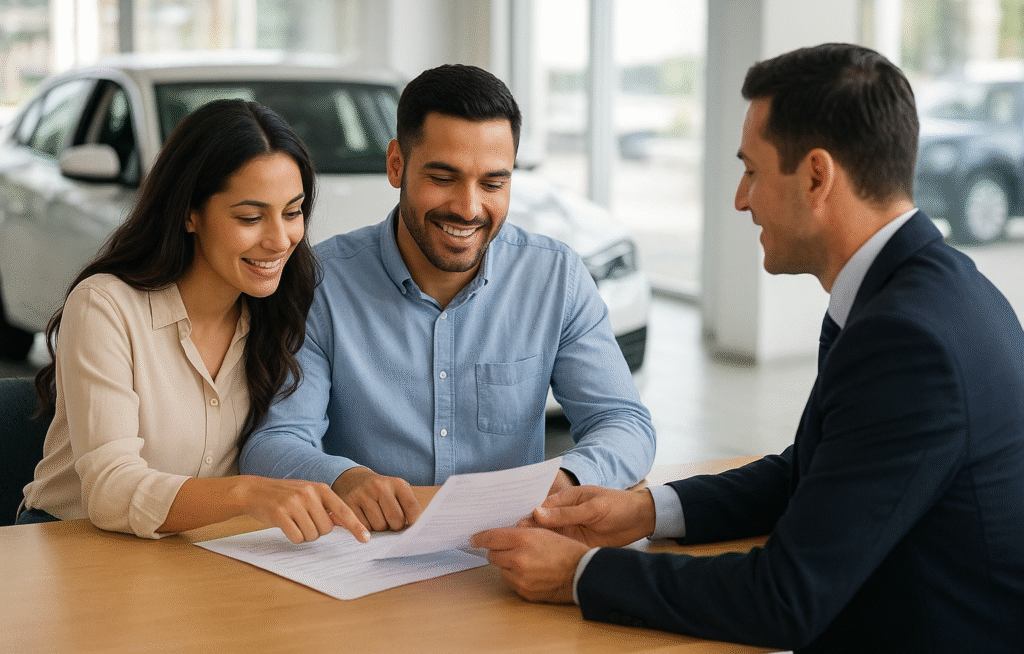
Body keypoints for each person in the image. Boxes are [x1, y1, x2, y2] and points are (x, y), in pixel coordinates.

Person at [470, 43, 1024, 652]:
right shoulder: (932, 289)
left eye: (752, 170)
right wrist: (649, 511)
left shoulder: (908, 340)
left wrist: (577, 575)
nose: (741, 197)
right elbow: (816, 470)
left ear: (816, 177)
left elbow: (783, 599)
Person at [240, 64, 655, 533]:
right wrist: (345, 479)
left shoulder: (555, 277)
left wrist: (568, 477)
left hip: (505, 557)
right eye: (443, 178)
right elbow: (274, 440)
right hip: (365, 556)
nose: (469, 208)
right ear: (396, 164)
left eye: (493, 184)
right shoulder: (319, 283)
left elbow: (624, 422)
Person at [18, 99, 369, 544]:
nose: (280, 240)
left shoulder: (281, 308)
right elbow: (109, 490)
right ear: (189, 212)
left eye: (293, 212)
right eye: (250, 217)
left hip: (196, 550)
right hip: (73, 544)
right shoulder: (106, 306)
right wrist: (245, 493)